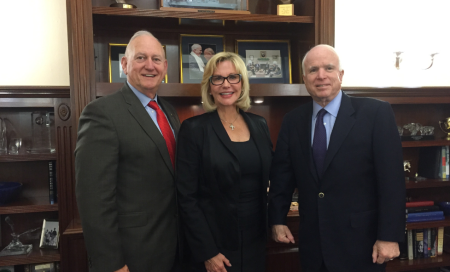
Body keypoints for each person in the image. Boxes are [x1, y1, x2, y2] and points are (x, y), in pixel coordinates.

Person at [268, 44, 406, 272]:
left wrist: (390, 236)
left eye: (328, 68)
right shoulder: (293, 121)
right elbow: (282, 176)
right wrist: (277, 220)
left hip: (362, 245)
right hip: (314, 246)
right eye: (313, 70)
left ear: (341, 75)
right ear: (305, 78)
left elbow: (392, 181)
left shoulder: (375, 114)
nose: (321, 75)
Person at [75, 30, 182, 272]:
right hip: (131, 258)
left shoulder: (170, 112)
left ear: (165, 67)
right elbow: (94, 200)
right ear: (124, 64)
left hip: (174, 250)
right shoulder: (102, 113)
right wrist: (111, 263)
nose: (150, 66)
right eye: (140, 58)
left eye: (156, 59)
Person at [177, 52, 273, 272]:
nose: (225, 84)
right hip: (215, 244)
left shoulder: (259, 124)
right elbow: (186, 197)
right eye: (217, 78)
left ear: (242, 83)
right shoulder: (193, 129)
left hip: (256, 238)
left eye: (233, 77)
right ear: (209, 86)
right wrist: (207, 252)